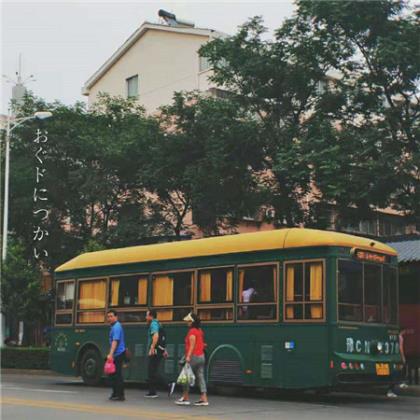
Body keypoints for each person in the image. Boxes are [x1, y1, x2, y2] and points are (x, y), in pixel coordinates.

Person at [176, 312, 209, 407]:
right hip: (201, 356)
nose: (187, 322)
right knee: (200, 377)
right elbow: (201, 343)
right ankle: (204, 398)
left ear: (192, 322)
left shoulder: (192, 332)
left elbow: (192, 345)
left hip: (193, 356)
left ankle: (185, 397)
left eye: (189, 321)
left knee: (185, 375)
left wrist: (188, 357)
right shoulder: (199, 331)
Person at [145, 309, 167, 398]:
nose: (145, 317)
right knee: (153, 371)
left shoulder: (153, 324)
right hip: (159, 349)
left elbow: (156, 336)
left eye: (146, 315)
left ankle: (168, 385)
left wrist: (152, 348)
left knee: (152, 371)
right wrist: (164, 350)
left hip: (155, 350)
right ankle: (152, 391)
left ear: (151, 316)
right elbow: (162, 338)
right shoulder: (158, 323)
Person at [106, 309, 126, 401]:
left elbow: (115, 341)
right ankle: (115, 393)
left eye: (111, 316)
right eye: (108, 316)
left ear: (116, 317)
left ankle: (120, 395)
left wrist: (111, 354)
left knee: (117, 375)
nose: (109, 318)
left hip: (118, 354)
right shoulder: (114, 326)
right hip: (117, 353)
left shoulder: (117, 327)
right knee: (113, 374)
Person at [387, 329, 409, 398]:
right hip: (397, 357)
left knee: (395, 373)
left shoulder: (395, 337)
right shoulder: (400, 338)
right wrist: (403, 357)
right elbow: (400, 348)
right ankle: (393, 388)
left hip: (393, 356)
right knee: (397, 372)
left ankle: (394, 388)